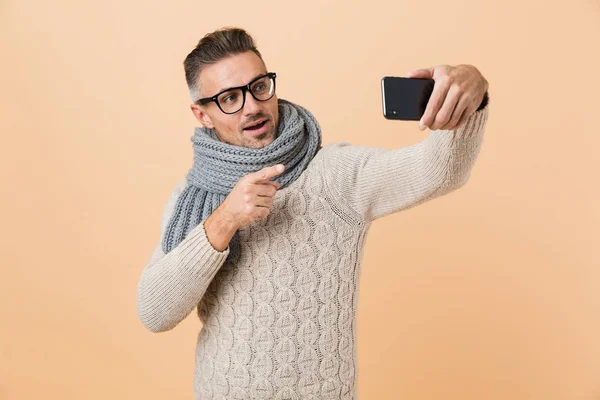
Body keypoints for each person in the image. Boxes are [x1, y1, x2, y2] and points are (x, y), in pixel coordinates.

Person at [136, 27, 489, 400]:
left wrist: (474, 91)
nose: (252, 106)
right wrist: (224, 220)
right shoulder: (192, 199)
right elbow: (155, 313)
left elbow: (441, 171)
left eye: (259, 87)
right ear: (202, 114)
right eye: (229, 98)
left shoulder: (333, 175)